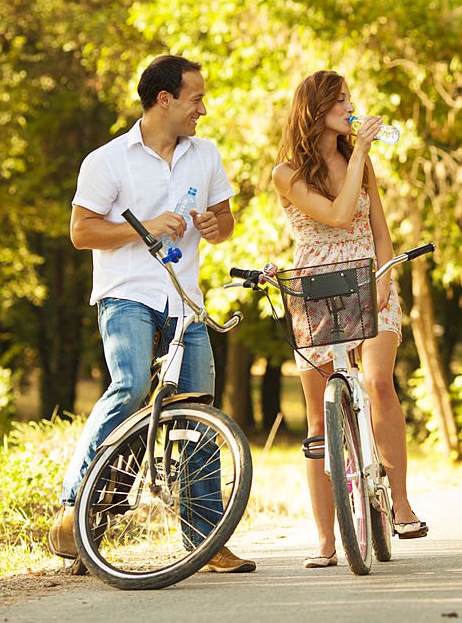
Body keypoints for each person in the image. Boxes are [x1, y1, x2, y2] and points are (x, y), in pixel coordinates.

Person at [48, 54, 255, 574]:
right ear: (165, 100)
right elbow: (82, 233)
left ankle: (207, 541)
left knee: (198, 412)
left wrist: (214, 225)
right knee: (132, 385)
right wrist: (143, 228)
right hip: (128, 296)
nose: (202, 109)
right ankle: (75, 508)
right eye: (195, 99)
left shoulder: (205, 155)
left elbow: (226, 219)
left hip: (186, 303)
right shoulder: (108, 160)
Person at [272, 70, 427, 569]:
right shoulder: (287, 172)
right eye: (341, 99)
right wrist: (359, 150)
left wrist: (383, 278)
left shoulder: (363, 161)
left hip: (371, 277)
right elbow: (337, 216)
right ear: (316, 108)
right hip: (315, 287)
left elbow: (379, 229)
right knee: (319, 421)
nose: (351, 105)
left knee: (379, 381)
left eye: (350, 98)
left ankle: (400, 503)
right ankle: (325, 539)